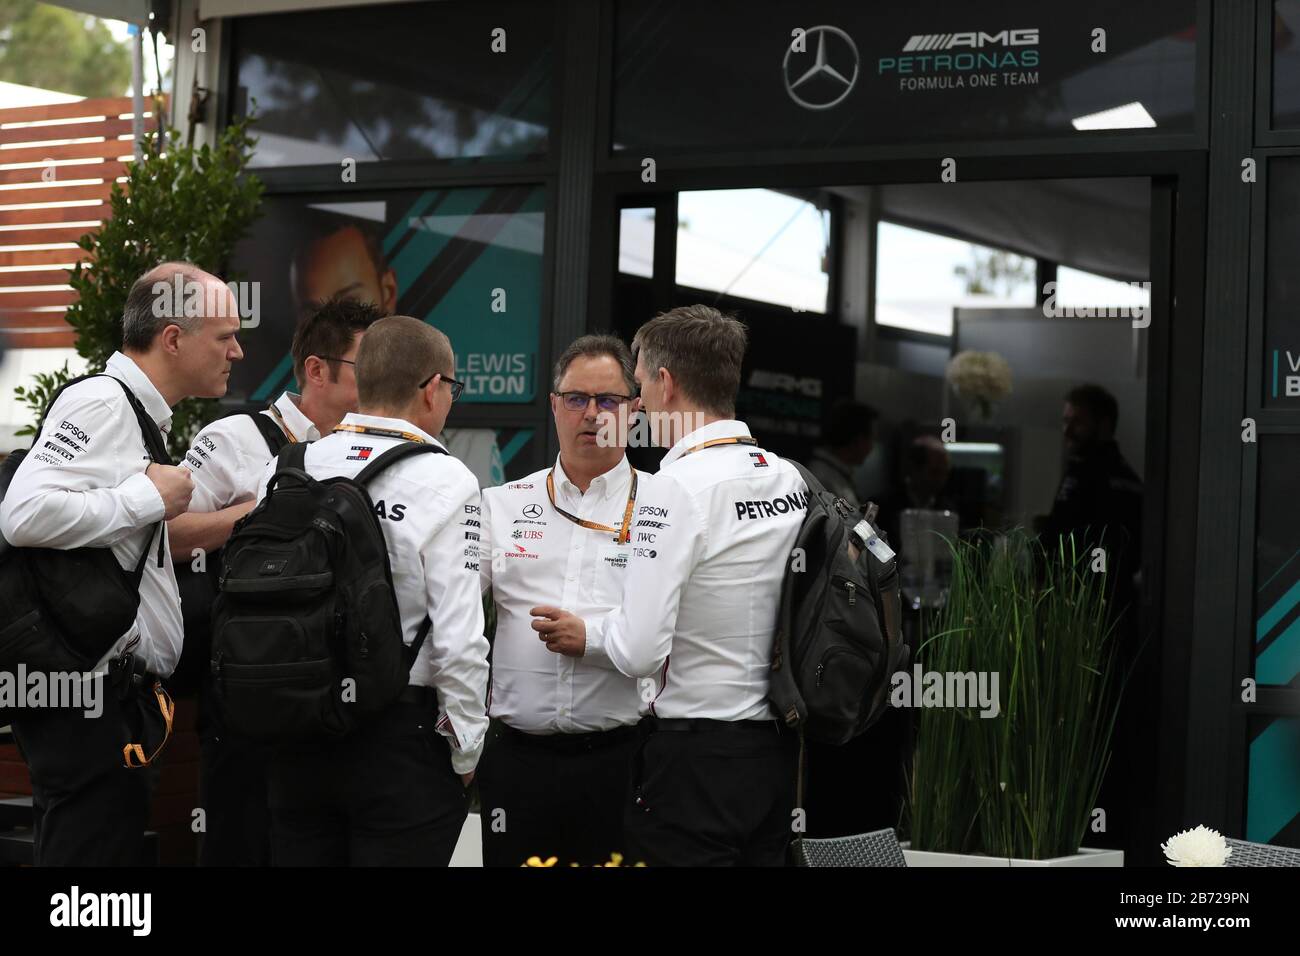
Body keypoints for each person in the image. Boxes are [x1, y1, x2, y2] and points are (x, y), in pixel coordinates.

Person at [533, 305, 805, 866]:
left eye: (636, 385)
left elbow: (638, 650)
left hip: (692, 757)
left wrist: (589, 633)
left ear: (665, 383)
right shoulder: (788, 476)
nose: (634, 405)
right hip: (777, 751)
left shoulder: (671, 488)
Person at [0, 261, 241, 865]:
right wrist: (148, 498)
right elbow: (22, 514)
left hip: (102, 699)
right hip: (86, 701)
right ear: (174, 338)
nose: (237, 350)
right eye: (225, 336)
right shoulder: (104, 404)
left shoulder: (131, 408)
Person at [254, 315, 489, 866]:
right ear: (433, 388)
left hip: (295, 729)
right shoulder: (448, 479)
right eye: (452, 387)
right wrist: (467, 749)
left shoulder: (290, 463)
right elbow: (459, 637)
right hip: (398, 737)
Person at [170, 296, 382, 867]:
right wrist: (249, 515)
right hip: (249, 694)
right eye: (371, 365)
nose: (386, 378)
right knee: (240, 846)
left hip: (334, 704)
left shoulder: (376, 450)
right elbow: (167, 533)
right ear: (317, 369)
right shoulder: (236, 437)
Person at [477, 334, 647, 867]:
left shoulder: (663, 507)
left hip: (624, 760)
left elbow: (677, 633)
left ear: (635, 411)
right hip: (516, 762)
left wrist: (592, 639)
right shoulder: (500, 505)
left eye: (609, 401)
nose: (591, 414)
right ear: (554, 406)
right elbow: (450, 622)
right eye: (576, 399)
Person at [807, 399, 877, 509]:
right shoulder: (823, 478)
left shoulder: (833, 473)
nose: (871, 447)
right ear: (857, 440)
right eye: (870, 439)